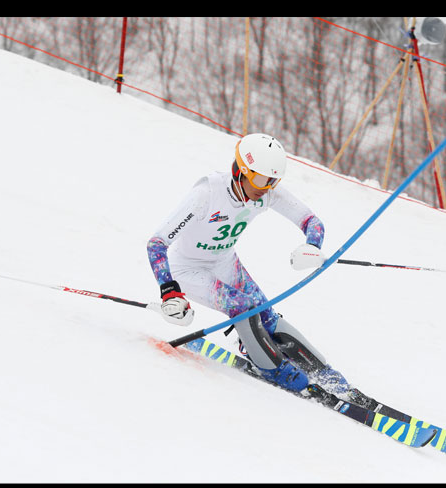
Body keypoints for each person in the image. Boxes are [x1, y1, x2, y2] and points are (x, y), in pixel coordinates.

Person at [146, 133, 349, 394]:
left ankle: (322, 370)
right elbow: (157, 243)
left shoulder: (266, 192)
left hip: (224, 261)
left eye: (274, 181)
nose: (266, 187)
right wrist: (169, 291)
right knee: (243, 307)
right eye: (263, 179)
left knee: (266, 314)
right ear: (242, 170)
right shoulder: (207, 193)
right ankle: (272, 368)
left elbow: (312, 221)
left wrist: (311, 246)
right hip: (188, 269)